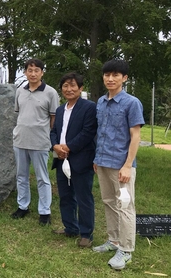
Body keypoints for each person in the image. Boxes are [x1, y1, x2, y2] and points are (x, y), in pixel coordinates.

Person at [92, 60, 144, 270]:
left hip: (122, 164)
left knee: (125, 206)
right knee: (108, 201)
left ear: (125, 78)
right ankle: (113, 241)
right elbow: (101, 132)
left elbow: (136, 135)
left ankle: (126, 249)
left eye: (115, 75)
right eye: (107, 75)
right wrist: (96, 158)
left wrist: (127, 165)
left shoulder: (132, 103)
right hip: (103, 161)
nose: (110, 79)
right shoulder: (101, 102)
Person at [50, 73, 97, 247]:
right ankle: (70, 227)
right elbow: (54, 131)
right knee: (65, 195)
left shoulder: (89, 107)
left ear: (81, 88)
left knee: (84, 197)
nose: (69, 89)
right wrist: (55, 146)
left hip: (81, 159)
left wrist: (67, 147)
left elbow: (88, 132)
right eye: (65, 86)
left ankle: (86, 234)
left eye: (73, 86)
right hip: (61, 158)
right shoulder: (61, 109)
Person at [12, 58, 59, 225]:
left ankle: (44, 211)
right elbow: (19, 113)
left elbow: (53, 118)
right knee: (21, 176)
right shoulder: (20, 91)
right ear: (25, 73)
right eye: (29, 70)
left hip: (40, 142)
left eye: (36, 70)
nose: (33, 74)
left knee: (42, 178)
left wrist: (50, 137)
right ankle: (22, 206)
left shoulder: (51, 93)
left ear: (42, 72)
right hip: (20, 140)